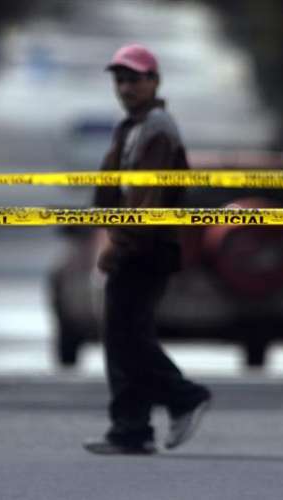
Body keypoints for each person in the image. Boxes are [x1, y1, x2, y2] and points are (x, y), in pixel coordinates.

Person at [83, 44, 211, 455]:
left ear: (155, 81)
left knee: (126, 337)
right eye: (120, 80)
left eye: (135, 78)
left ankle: (183, 396)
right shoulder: (131, 128)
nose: (125, 87)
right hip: (137, 242)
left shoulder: (157, 128)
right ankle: (131, 429)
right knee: (124, 335)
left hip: (147, 245)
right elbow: (112, 191)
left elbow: (147, 199)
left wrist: (119, 245)